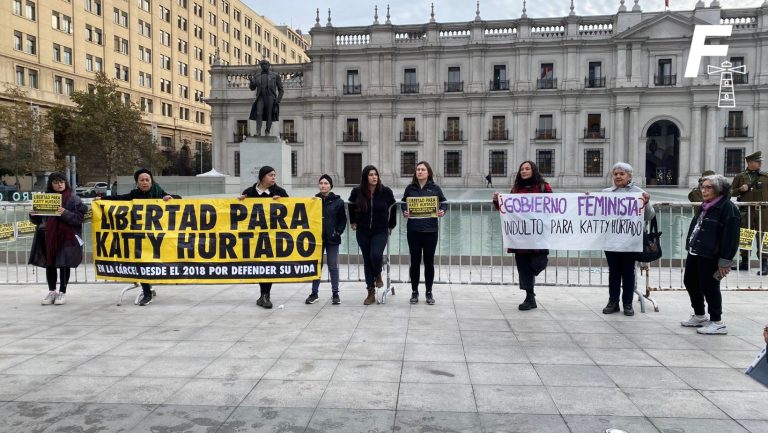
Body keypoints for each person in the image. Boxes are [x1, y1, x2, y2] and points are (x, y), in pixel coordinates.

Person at [97, 168, 180, 306]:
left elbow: (178, 200)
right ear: (137, 183)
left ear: (151, 181)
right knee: (141, 263)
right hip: (139, 238)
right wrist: (102, 199)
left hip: (156, 238)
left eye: (147, 180)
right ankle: (146, 292)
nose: (145, 182)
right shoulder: (134, 195)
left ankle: (149, 287)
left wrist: (169, 198)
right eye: (142, 180)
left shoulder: (159, 193)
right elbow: (119, 199)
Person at [681, 174, 740, 335]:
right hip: (696, 250)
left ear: (719, 189)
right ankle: (700, 315)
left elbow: (731, 238)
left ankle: (717, 321)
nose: (704, 190)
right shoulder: (706, 205)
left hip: (711, 254)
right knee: (690, 282)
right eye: (703, 187)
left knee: (710, 286)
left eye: (708, 187)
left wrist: (725, 261)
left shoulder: (728, 208)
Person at [493, 161, 553, 310]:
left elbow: (554, 205)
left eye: (527, 169)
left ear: (533, 170)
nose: (524, 171)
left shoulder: (543, 187)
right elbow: (507, 209)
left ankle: (530, 289)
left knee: (538, 264)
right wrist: (497, 201)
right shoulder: (516, 189)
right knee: (523, 267)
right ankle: (529, 297)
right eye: (522, 169)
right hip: (521, 237)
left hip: (538, 235)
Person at [601, 162, 655, 316]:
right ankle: (613, 302)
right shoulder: (606, 193)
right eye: (616, 174)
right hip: (611, 241)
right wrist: (588, 199)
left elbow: (649, 216)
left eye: (622, 174)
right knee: (614, 273)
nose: (618, 176)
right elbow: (596, 213)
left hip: (631, 241)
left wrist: (647, 203)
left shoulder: (639, 193)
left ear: (629, 176)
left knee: (628, 272)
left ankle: (628, 303)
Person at [29, 172, 88, 306]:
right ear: (51, 184)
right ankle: (52, 291)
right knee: (50, 264)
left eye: (61, 181)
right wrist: (32, 214)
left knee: (63, 264)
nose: (59, 184)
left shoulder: (74, 199)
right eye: (56, 182)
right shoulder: (45, 198)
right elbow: (38, 220)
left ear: (66, 183)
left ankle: (62, 291)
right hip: (48, 236)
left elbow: (78, 219)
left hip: (66, 238)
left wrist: (64, 212)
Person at [239, 165, 288, 308]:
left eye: (275, 175)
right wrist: (238, 202)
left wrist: (283, 202)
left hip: (272, 237)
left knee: (268, 264)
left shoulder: (280, 192)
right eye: (271, 175)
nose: (274, 177)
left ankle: (265, 295)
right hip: (254, 236)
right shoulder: (248, 192)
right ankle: (263, 295)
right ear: (262, 177)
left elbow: (291, 211)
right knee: (259, 264)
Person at [348, 165, 396, 305]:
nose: (374, 177)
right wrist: (353, 221)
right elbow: (351, 205)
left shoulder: (385, 192)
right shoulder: (357, 192)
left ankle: (377, 274)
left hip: (380, 230)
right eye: (371, 175)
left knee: (375, 255)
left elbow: (393, 208)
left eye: (376, 174)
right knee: (367, 259)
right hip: (363, 231)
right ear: (365, 177)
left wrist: (391, 225)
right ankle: (370, 292)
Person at [401, 161, 447, 305]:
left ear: (428, 172)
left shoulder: (435, 188)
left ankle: (429, 292)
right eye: (418, 169)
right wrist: (404, 211)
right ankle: (414, 291)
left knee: (429, 262)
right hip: (413, 231)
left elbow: (444, 202)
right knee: (414, 262)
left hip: (431, 231)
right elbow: (403, 203)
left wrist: (442, 210)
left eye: (423, 169)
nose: (420, 171)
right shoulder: (410, 188)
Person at [306, 174, 346, 305]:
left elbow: (343, 220)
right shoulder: (313, 201)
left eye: (326, 183)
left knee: (333, 266)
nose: (323, 185)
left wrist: (338, 232)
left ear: (330, 186)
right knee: (316, 265)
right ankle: (314, 293)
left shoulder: (338, 202)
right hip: (316, 239)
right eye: (321, 183)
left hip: (332, 238)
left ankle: (335, 294)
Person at [731, 151, 768, 274]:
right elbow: (730, 193)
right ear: (750, 162)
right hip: (746, 211)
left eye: (760, 161)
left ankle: (765, 264)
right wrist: (740, 189)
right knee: (745, 235)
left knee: (764, 237)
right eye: (758, 161)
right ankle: (745, 262)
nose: (760, 163)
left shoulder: (765, 176)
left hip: (763, 212)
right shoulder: (740, 177)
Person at [248, 59, 284, 136]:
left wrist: (278, 100)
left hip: (270, 97)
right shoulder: (257, 76)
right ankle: (258, 132)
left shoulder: (275, 75)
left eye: (265, 64)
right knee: (258, 113)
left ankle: (267, 131)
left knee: (269, 114)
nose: (264, 66)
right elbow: (252, 88)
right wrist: (251, 82)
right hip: (260, 96)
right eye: (262, 65)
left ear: (268, 65)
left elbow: (281, 89)